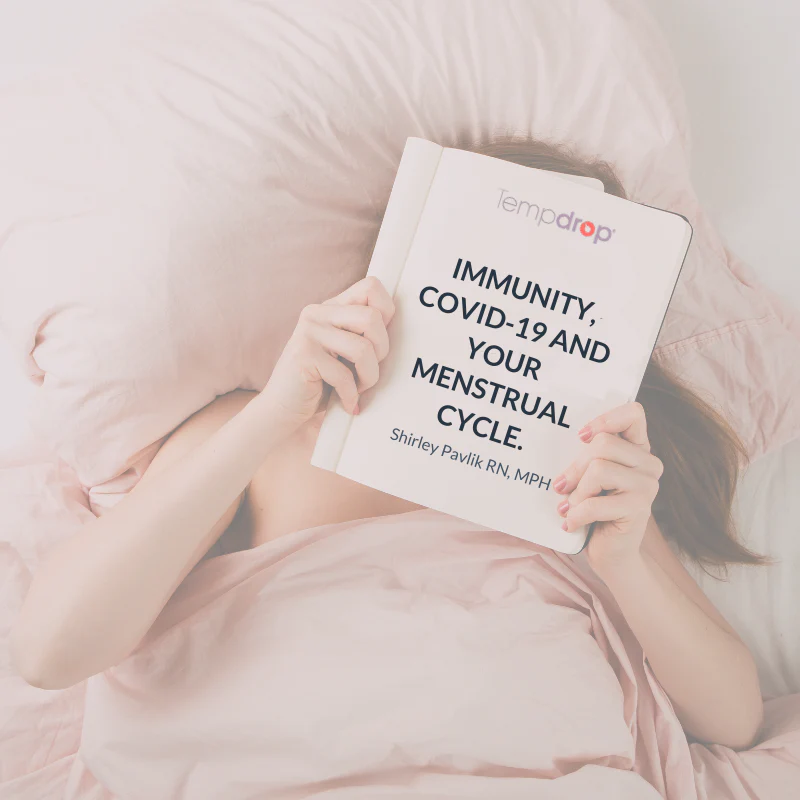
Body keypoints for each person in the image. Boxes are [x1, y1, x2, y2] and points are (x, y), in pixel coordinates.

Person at [11, 137, 765, 751]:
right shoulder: (262, 431)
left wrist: (625, 559)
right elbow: (51, 652)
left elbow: (734, 720)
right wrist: (273, 414)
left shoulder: (583, 472)